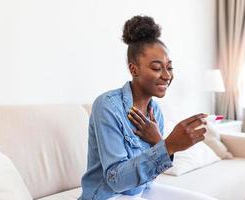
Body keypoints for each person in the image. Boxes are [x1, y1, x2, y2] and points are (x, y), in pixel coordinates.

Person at [79, 15, 216, 200]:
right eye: (157, 68)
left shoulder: (155, 112)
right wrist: (168, 145)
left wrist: (159, 142)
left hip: (139, 192)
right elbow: (115, 180)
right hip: (107, 196)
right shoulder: (107, 106)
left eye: (169, 67)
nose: (167, 76)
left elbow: (150, 176)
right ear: (134, 69)